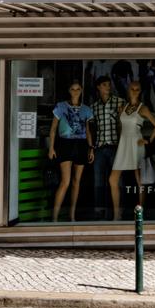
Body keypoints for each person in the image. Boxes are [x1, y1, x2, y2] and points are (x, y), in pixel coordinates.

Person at [109, 81, 155, 222]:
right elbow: (120, 127)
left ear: (140, 91)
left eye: (137, 89)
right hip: (123, 144)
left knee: (140, 181)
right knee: (112, 179)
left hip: (136, 144)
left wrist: (148, 140)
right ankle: (117, 215)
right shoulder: (123, 107)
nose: (134, 91)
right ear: (128, 90)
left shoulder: (143, 108)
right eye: (132, 88)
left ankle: (140, 214)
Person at [48, 81, 93, 223]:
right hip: (65, 144)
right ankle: (54, 217)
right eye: (73, 89)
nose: (75, 91)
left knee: (76, 182)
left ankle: (72, 216)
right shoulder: (61, 106)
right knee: (65, 181)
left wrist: (91, 148)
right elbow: (53, 129)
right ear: (69, 90)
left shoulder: (86, 109)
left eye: (78, 89)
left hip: (81, 145)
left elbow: (88, 131)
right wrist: (51, 147)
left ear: (81, 90)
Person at [88, 75, 125, 220]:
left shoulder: (119, 102)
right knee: (98, 181)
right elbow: (92, 129)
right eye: (104, 85)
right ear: (98, 87)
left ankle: (119, 212)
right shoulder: (94, 107)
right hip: (99, 147)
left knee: (118, 181)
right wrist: (91, 148)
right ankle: (100, 211)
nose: (108, 87)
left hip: (116, 147)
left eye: (109, 84)